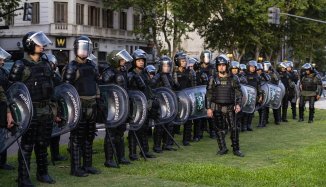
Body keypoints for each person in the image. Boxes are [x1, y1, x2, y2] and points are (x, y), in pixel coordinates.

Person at [9, 31, 56, 186]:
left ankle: (43, 174)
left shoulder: (46, 63)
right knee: (27, 145)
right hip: (29, 111)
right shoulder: (20, 65)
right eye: (38, 43)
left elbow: (53, 87)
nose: (42, 46)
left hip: (45, 111)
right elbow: (12, 91)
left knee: (43, 144)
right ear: (30, 45)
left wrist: (54, 109)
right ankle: (23, 177)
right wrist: (12, 113)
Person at [62, 36, 100, 177]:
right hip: (79, 106)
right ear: (76, 49)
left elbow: (96, 84)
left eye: (86, 48)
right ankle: (76, 168)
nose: (84, 51)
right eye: (81, 48)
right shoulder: (71, 67)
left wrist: (98, 101)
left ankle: (88, 165)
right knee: (77, 138)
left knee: (89, 137)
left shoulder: (92, 66)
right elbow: (66, 89)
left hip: (92, 106)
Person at [206, 54, 244, 157]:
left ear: (227, 66)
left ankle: (236, 149)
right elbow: (209, 94)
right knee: (219, 129)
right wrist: (208, 108)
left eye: (223, 65)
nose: (221, 67)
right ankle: (223, 148)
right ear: (217, 66)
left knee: (234, 128)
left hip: (230, 107)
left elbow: (239, 93)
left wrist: (238, 105)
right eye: (219, 65)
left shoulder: (233, 78)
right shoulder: (212, 79)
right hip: (217, 107)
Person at [100, 49, 132, 167]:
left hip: (122, 104)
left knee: (120, 132)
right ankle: (109, 160)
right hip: (112, 106)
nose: (123, 61)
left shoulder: (123, 71)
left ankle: (121, 156)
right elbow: (104, 90)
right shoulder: (108, 73)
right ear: (115, 60)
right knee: (111, 133)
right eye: (121, 59)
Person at [128, 49, 158, 160]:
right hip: (135, 106)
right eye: (139, 60)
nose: (141, 62)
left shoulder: (145, 74)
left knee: (145, 129)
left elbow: (149, 89)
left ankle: (144, 151)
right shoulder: (130, 74)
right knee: (134, 129)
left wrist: (151, 100)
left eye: (142, 60)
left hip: (145, 105)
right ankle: (132, 153)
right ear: (134, 61)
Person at [43, 54, 67, 164]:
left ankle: (55, 155)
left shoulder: (56, 77)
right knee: (44, 135)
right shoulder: (43, 76)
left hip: (56, 107)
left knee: (56, 133)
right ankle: (43, 157)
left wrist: (59, 111)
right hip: (46, 107)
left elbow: (61, 92)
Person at [150, 55, 178, 152]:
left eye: (168, 66)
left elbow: (172, 89)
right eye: (164, 66)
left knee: (169, 125)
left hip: (169, 104)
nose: (167, 67)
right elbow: (151, 90)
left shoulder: (169, 76)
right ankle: (157, 146)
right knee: (160, 126)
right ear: (161, 66)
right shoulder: (157, 77)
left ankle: (167, 144)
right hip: (160, 105)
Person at [173, 52, 197, 146]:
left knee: (188, 120)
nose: (184, 62)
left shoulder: (191, 72)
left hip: (187, 98)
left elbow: (194, 87)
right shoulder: (174, 72)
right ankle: (170, 141)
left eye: (185, 61)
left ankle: (186, 139)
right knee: (174, 120)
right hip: (177, 98)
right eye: (182, 61)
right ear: (177, 61)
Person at [0, 47, 15, 171]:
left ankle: (2, 162)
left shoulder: (3, 72)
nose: (2, 61)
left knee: (3, 134)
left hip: (3, 107)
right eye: (1, 59)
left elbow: (9, 89)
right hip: (3, 105)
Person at [198, 50, 216, 139]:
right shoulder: (197, 66)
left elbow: (213, 78)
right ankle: (200, 132)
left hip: (209, 92)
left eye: (208, 57)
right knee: (201, 112)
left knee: (210, 112)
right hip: (200, 92)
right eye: (205, 57)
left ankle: (212, 131)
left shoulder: (212, 67)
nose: (206, 59)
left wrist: (207, 79)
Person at [243, 60, 262, 131]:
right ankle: (244, 125)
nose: (253, 68)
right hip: (246, 95)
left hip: (254, 96)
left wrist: (260, 95)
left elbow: (259, 86)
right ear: (248, 67)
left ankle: (249, 125)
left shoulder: (257, 76)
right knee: (245, 111)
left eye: (254, 67)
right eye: (251, 67)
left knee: (251, 111)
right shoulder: (244, 75)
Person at [230, 61, 247, 132]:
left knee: (239, 113)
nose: (234, 70)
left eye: (236, 69)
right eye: (233, 69)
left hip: (239, 98)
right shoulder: (228, 77)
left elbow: (245, 83)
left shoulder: (241, 77)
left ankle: (238, 126)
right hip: (229, 98)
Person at [256, 63, 270, 128]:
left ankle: (262, 123)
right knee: (259, 108)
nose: (259, 71)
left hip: (263, 92)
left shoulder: (264, 75)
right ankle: (263, 122)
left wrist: (263, 74)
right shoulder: (255, 76)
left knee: (263, 108)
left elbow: (268, 79)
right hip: (256, 92)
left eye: (260, 70)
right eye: (257, 70)